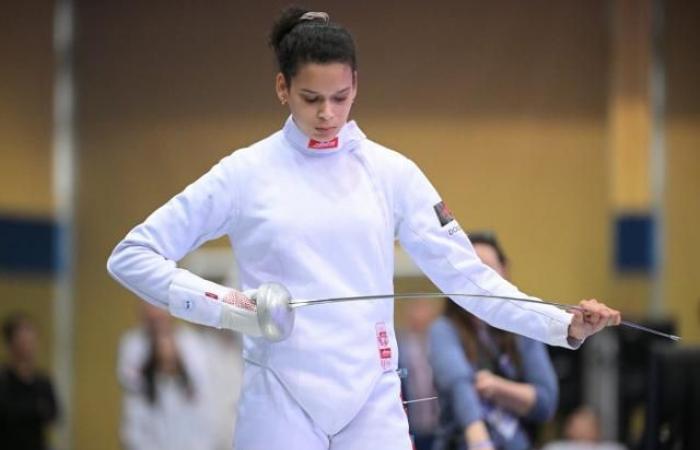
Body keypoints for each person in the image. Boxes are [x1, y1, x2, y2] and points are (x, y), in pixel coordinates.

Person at [106, 7, 621, 450]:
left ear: (356, 85)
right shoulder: (244, 173)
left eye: (341, 96)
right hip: (277, 399)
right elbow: (132, 255)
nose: (327, 113)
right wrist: (230, 308)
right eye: (311, 98)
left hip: (371, 401)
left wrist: (561, 325)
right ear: (282, 88)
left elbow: (469, 278)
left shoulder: (391, 173)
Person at [429, 232, 559, 450]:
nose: (480, 279)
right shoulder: (444, 328)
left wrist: (496, 387)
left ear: (504, 271)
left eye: (487, 269)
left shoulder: (522, 328)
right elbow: (458, 383)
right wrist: (479, 439)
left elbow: (546, 402)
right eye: (472, 270)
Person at [120, 319, 216, 450]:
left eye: (169, 342)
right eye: (161, 344)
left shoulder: (192, 392)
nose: (166, 350)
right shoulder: (143, 393)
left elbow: (204, 429)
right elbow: (134, 433)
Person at [0, 313, 59, 450]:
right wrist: (35, 408)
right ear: (11, 343)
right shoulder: (4, 380)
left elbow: (53, 413)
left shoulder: (42, 381)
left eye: (32, 339)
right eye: (23, 339)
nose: (29, 345)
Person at [397, 299, 441, 449]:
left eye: (424, 310)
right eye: (416, 310)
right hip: (413, 422)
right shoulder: (400, 345)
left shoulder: (439, 343)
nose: (420, 315)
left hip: (439, 423)